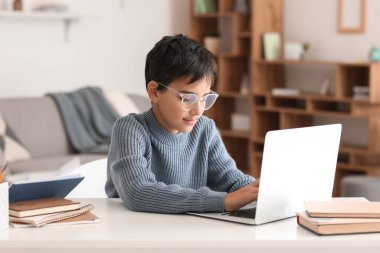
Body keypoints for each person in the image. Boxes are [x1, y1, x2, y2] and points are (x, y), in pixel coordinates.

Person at [105, 34, 259, 213]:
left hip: (186, 234)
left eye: (205, 98)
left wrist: (263, 191)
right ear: (154, 92)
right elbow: (137, 190)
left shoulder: (205, 129)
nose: (198, 111)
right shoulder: (130, 129)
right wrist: (222, 201)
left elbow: (233, 181)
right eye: (188, 98)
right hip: (135, 234)